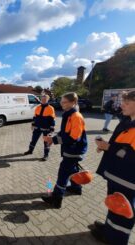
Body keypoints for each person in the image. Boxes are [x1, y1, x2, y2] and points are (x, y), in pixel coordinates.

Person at [91, 91, 135, 245]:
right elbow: (120, 145)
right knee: (114, 204)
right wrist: (105, 147)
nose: (122, 104)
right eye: (123, 101)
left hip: (128, 179)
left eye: (127, 102)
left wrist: (109, 147)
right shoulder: (128, 120)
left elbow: (130, 156)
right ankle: (109, 229)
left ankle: (116, 239)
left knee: (123, 211)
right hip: (118, 175)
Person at [42, 92, 88, 208]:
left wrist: (54, 141)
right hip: (71, 149)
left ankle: (56, 199)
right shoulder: (68, 114)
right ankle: (76, 188)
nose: (61, 104)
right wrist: (53, 138)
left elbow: (74, 138)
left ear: (73, 102)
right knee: (73, 170)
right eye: (61, 101)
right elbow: (64, 132)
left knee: (63, 173)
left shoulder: (76, 117)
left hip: (74, 150)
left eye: (64, 102)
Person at [24, 94, 55, 161]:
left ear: (47, 100)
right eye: (42, 99)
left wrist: (52, 127)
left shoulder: (50, 108)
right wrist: (33, 124)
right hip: (37, 127)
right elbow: (35, 117)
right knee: (33, 140)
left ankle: (46, 155)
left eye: (45, 99)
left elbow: (52, 119)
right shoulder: (38, 107)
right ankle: (30, 150)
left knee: (46, 142)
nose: (43, 100)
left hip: (46, 128)